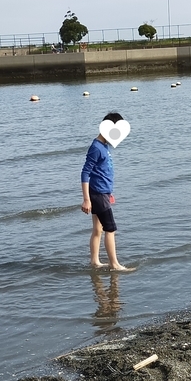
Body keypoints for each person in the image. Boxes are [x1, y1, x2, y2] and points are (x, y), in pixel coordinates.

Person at [80, 111, 134, 271]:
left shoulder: (104, 146)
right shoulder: (96, 147)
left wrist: (108, 193)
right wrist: (87, 199)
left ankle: (95, 261)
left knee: (98, 229)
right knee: (110, 229)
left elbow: (103, 172)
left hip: (102, 193)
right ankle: (114, 264)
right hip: (97, 194)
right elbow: (85, 172)